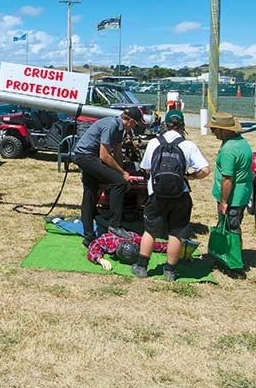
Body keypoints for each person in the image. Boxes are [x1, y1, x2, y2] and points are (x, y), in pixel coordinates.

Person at [131, 109, 210, 281]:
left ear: (165, 124)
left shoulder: (153, 143)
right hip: (179, 195)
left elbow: (146, 168)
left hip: (156, 194)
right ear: (182, 126)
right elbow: (205, 169)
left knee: (150, 231)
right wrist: (190, 176)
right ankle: (170, 271)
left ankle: (142, 267)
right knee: (176, 233)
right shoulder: (188, 145)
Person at [71, 107, 146, 246]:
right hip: (86, 157)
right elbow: (104, 155)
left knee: (90, 193)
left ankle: (89, 237)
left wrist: (123, 172)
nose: (135, 128)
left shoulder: (119, 128)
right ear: (130, 121)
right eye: (136, 124)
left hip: (88, 156)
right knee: (119, 183)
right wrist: (122, 175)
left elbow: (117, 151)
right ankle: (115, 225)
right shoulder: (111, 125)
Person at [205, 112, 253, 272]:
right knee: (234, 226)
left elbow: (227, 178)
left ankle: (233, 261)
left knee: (231, 228)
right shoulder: (242, 143)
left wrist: (224, 202)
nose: (213, 133)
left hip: (232, 198)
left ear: (224, 130)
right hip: (243, 193)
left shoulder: (228, 150)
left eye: (215, 130)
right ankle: (232, 255)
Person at [87, 228, 167, 270]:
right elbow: (93, 245)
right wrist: (100, 259)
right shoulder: (108, 239)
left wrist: (170, 247)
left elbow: (156, 245)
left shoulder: (135, 239)